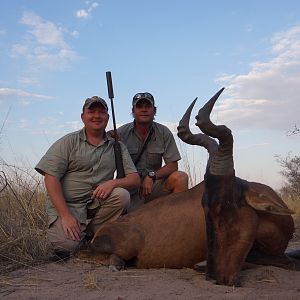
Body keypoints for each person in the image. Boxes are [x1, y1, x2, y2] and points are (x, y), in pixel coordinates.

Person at [35, 96, 140, 259]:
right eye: (91, 111)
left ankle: (94, 234)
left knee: (122, 195)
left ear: (108, 117)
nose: (97, 116)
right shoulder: (68, 142)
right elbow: (50, 178)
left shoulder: (117, 145)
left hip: (96, 205)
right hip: (70, 207)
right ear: (82, 116)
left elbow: (134, 179)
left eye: (101, 112)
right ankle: (79, 234)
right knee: (68, 247)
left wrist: (112, 183)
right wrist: (65, 215)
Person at [117, 92, 188, 212]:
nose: (144, 110)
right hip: (130, 189)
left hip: (152, 186)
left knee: (180, 178)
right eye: (139, 106)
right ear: (133, 111)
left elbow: (173, 165)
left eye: (148, 106)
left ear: (154, 111)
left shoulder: (163, 132)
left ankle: (177, 219)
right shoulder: (121, 133)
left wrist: (152, 176)